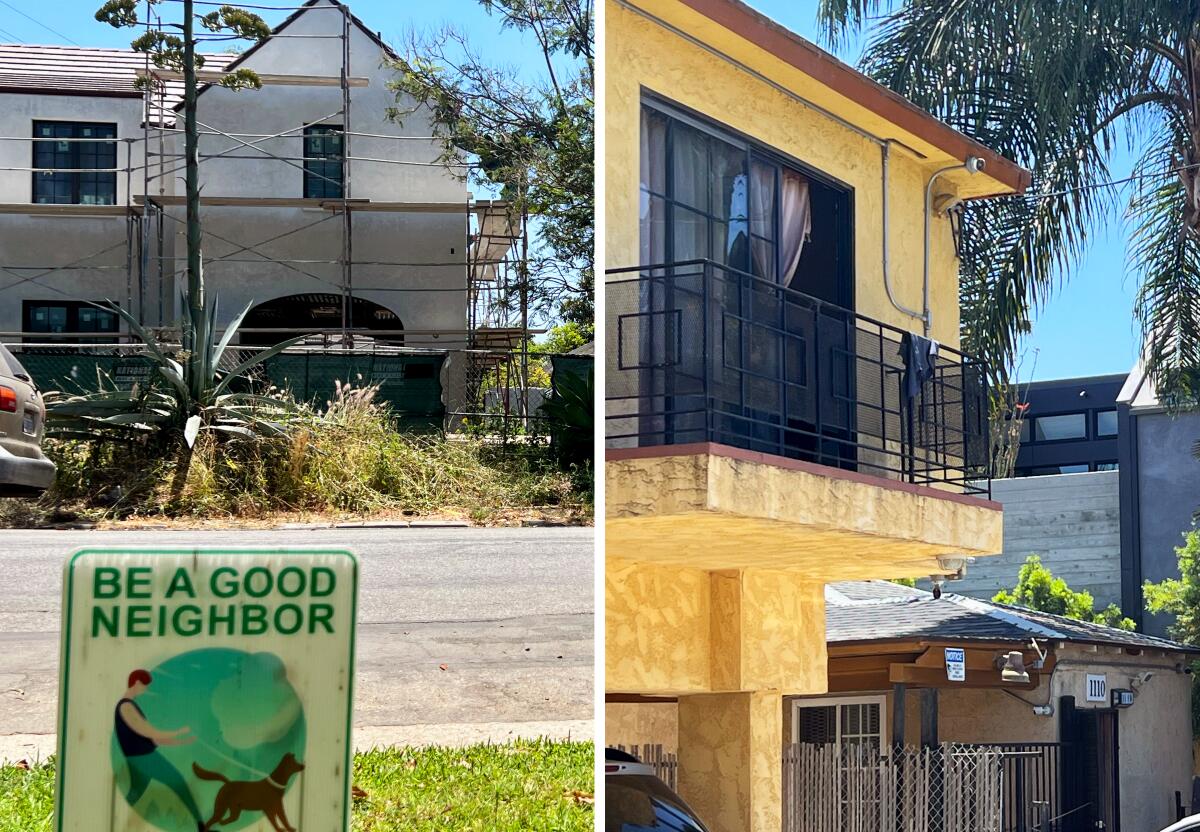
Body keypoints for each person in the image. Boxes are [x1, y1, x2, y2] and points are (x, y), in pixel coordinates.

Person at [115, 669, 206, 832]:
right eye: (145, 686)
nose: (146, 689)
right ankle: (202, 827)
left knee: (135, 793)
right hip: (144, 758)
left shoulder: (131, 705)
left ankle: (113, 824)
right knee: (179, 782)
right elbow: (148, 732)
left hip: (139, 757)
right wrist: (179, 731)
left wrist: (183, 741)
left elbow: (154, 739)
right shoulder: (126, 707)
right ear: (136, 683)